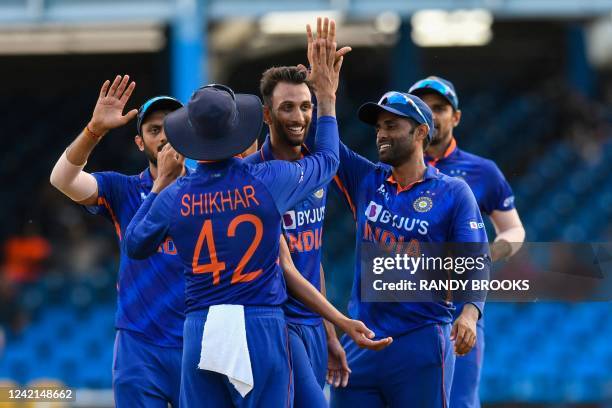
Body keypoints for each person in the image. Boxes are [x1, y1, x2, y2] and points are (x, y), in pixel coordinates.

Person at [124, 26, 391, 408]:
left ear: (191, 136)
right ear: (245, 124)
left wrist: (160, 184)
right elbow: (329, 160)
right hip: (260, 321)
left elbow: (135, 244)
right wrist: (328, 98)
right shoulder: (267, 180)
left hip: (201, 324)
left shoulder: (178, 193)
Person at [326, 89, 490, 407]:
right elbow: (327, 144)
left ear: (420, 132)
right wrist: (324, 94)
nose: (381, 135)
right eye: (378, 128)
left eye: (391, 126)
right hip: (362, 342)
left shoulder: (453, 192)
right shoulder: (367, 180)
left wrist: (470, 313)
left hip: (421, 341)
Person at [49, 75, 186, 407]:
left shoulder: (209, 190)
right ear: (140, 143)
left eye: (174, 127)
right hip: (139, 346)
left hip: (196, 341)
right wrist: (95, 129)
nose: (165, 136)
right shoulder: (122, 189)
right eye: (154, 130)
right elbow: (61, 179)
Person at [243, 19, 353, 405]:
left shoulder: (313, 171)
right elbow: (284, 269)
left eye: (306, 106)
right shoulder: (256, 177)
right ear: (267, 115)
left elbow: (312, 258)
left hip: (310, 324)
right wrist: (328, 98)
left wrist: (328, 333)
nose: (299, 116)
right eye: (287, 107)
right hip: (275, 322)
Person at [409, 76, 525, 408]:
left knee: (457, 401)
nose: (431, 115)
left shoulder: (482, 171)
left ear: (456, 117)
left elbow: (514, 230)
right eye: (423, 108)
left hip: (460, 309)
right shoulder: (392, 169)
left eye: (440, 108)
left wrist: (485, 255)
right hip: (403, 304)